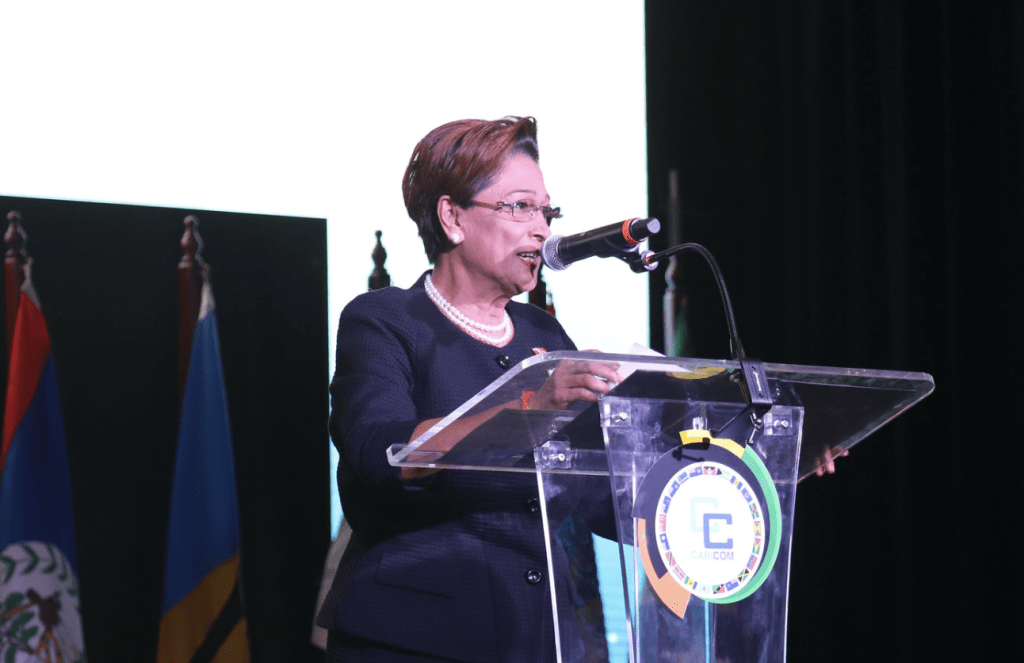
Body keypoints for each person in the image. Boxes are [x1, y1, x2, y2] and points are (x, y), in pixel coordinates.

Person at [317, 116, 621, 662]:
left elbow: (593, 497)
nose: (542, 230)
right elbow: (384, 452)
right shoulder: (384, 321)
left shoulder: (545, 335)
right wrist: (532, 408)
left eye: (547, 212)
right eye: (520, 207)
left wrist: (714, 473)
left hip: (542, 640)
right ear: (452, 217)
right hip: (416, 642)